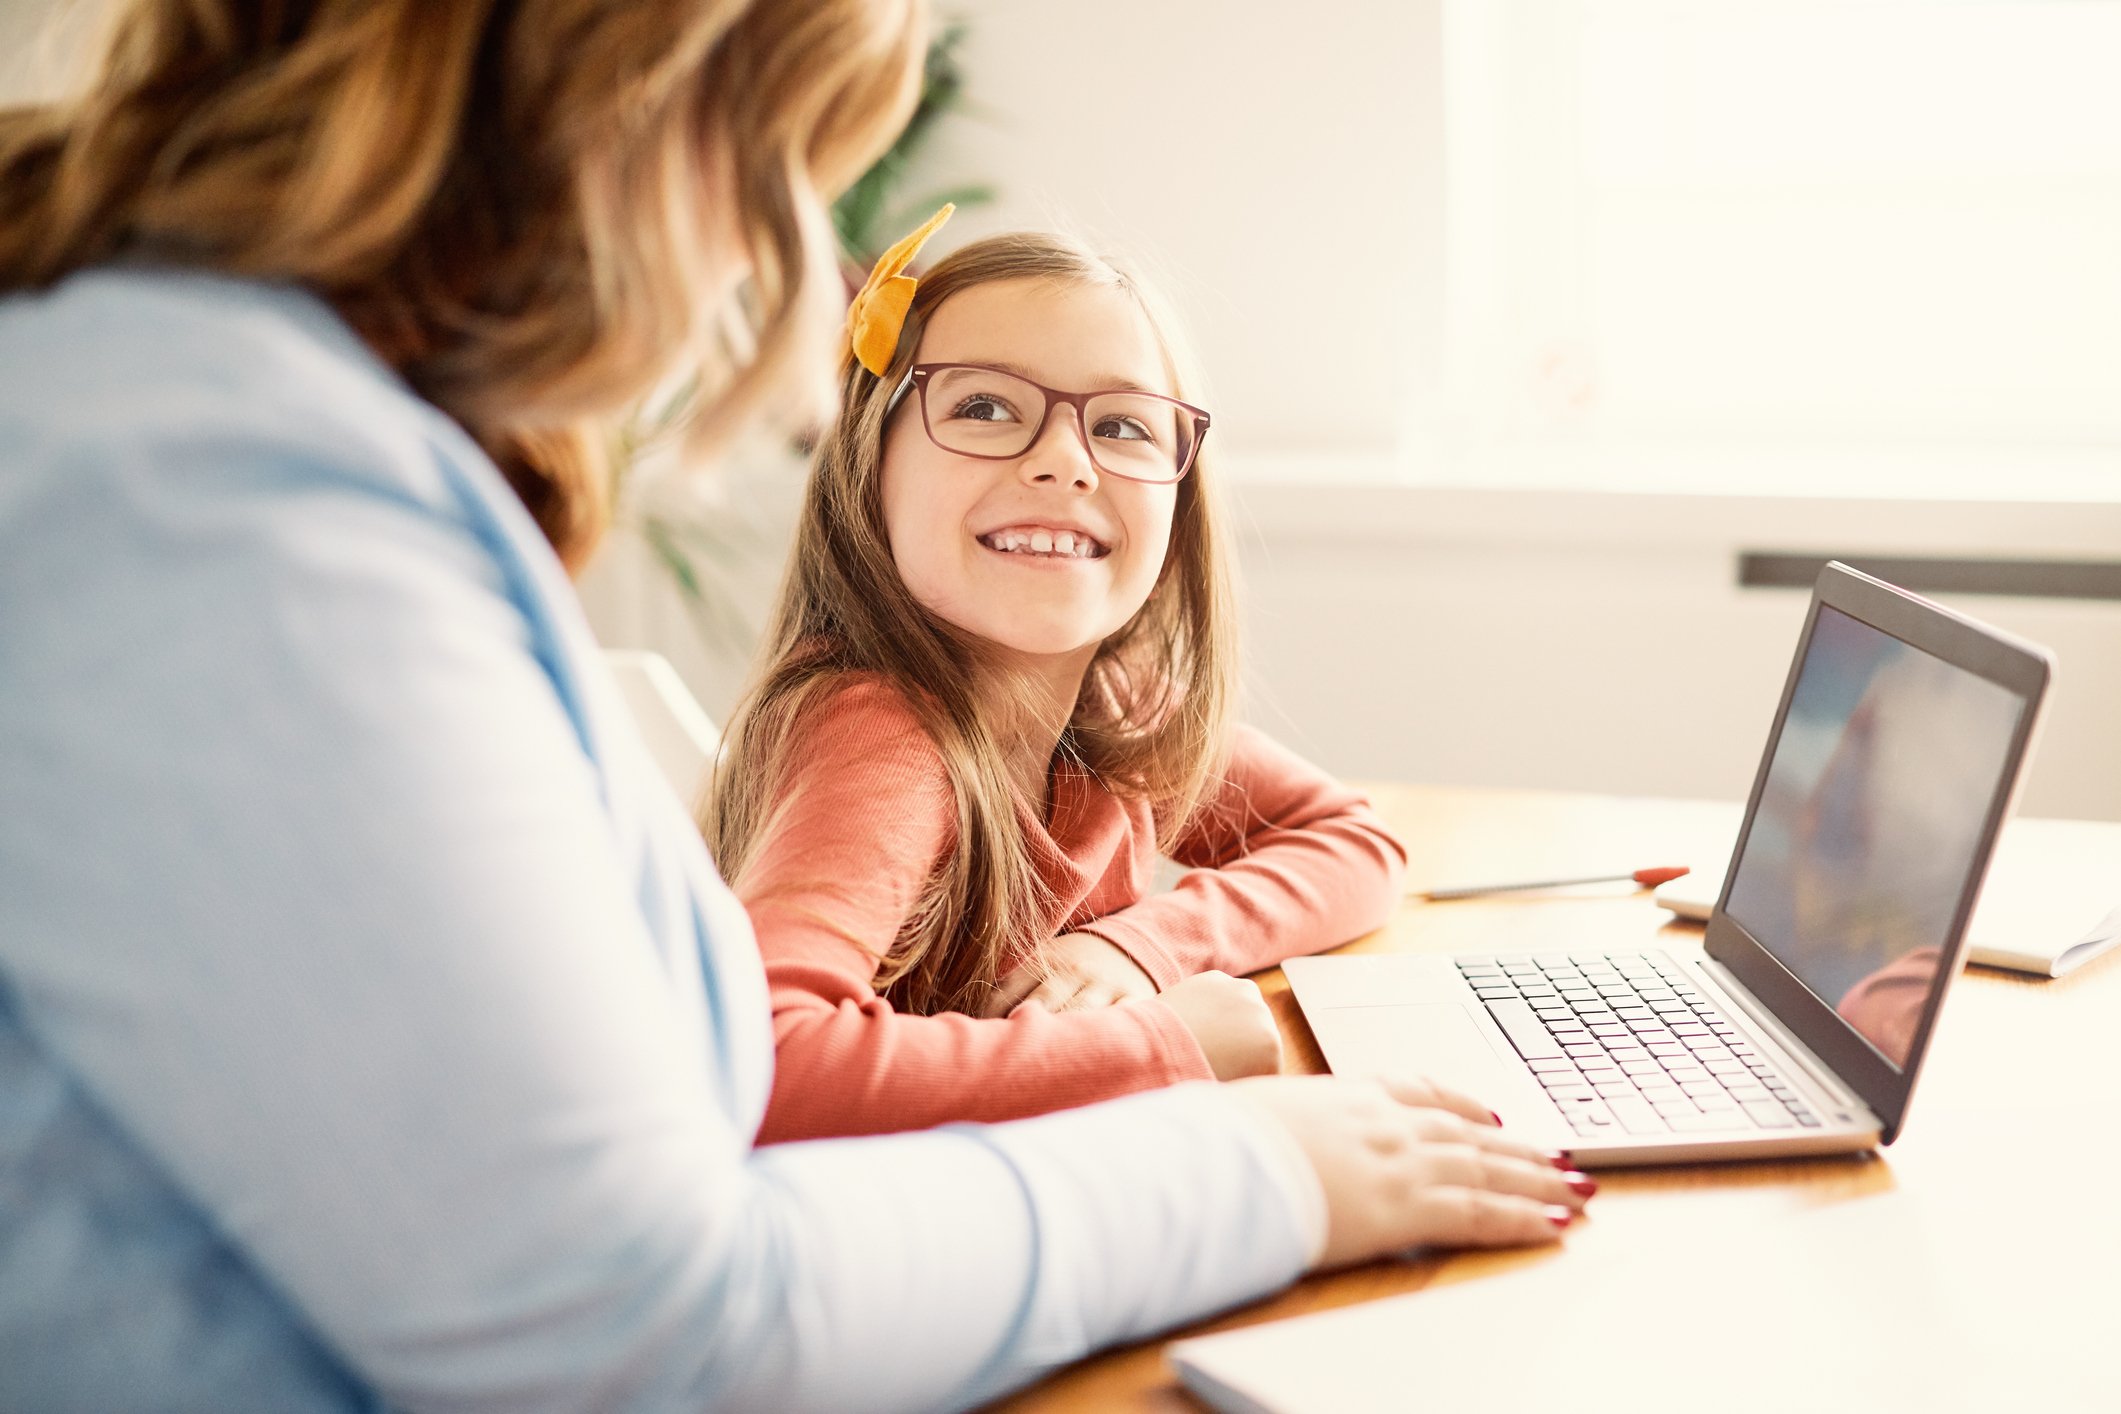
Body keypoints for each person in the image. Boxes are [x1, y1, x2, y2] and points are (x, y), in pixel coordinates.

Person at [0, 3, 1594, 1410]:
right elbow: (635, 1318)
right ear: (599, 92)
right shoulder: (210, 493)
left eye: (1122, 428)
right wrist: (1247, 1160)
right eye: (770, 152)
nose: (781, 269)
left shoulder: (254, 451)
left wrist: (1136, 956)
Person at [709, 219, 1414, 1143]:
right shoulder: (881, 732)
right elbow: (764, 1066)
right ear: (865, 469)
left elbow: (1352, 842)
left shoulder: (1106, 705)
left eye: (1122, 426)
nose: (1063, 461)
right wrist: (1159, 1048)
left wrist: (1143, 943)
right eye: (985, 408)